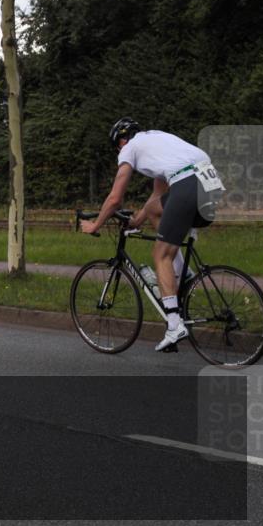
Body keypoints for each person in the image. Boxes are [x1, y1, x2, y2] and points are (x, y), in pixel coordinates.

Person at [80, 118, 223, 352]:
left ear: (121, 141)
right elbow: (156, 200)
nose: (120, 152)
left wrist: (95, 225)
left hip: (187, 184)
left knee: (160, 255)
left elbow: (115, 198)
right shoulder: (158, 140)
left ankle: (174, 326)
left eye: (118, 148)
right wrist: (136, 222)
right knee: (157, 211)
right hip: (211, 184)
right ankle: (183, 273)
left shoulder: (129, 148)